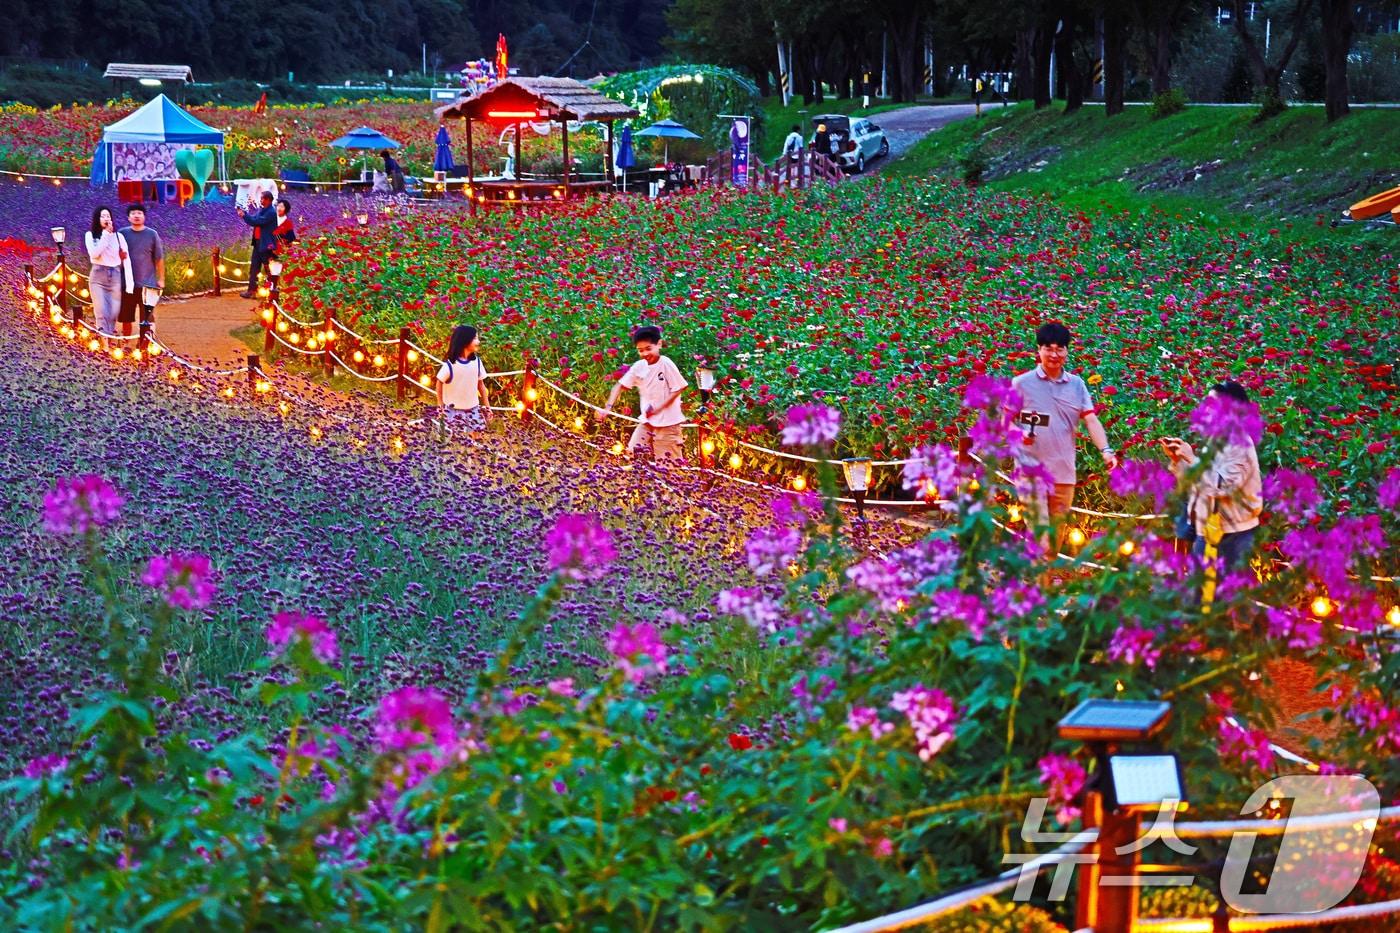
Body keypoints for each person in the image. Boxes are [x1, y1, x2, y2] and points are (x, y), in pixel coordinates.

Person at [1011, 321, 1117, 552]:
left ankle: (1042, 583)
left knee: (1055, 542)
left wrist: (1106, 451)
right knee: (1042, 538)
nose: (1054, 354)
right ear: (1038, 350)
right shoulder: (1021, 384)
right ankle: (1039, 585)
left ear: (1067, 351)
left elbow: (1090, 419)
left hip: (1063, 472)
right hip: (1031, 471)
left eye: (1060, 348)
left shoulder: (1077, 385)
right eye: (1048, 348)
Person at [1161, 381, 1262, 573]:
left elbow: (1221, 486)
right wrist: (1178, 460)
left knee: (1225, 596)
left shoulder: (1239, 444)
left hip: (1230, 534)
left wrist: (1190, 458)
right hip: (1209, 530)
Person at [596, 325, 688, 463]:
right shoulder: (639, 366)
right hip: (647, 422)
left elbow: (678, 388)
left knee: (669, 468)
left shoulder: (666, 363)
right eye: (641, 350)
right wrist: (607, 408)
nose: (645, 354)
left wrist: (658, 409)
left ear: (659, 344)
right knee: (632, 456)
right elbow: (619, 386)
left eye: (648, 349)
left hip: (668, 425)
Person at [83, 206, 131, 347]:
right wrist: (105, 235)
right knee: (101, 310)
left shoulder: (119, 237)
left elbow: (125, 257)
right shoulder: (90, 235)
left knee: (113, 312)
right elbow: (94, 253)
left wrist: (129, 282)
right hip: (98, 275)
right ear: (97, 219)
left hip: (115, 275)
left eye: (108, 216)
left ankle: (108, 338)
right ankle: (104, 345)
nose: (106, 219)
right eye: (103, 216)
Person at [117, 204, 164, 340]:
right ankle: (125, 341)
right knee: (126, 315)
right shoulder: (122, 234)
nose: (136, 216)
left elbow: (159, 258)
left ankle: (148, 341)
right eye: (133, 213)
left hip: (147, 284)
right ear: (128, 217)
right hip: (127, 283)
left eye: (139, 213)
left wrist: (161, 279)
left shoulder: (152, 234)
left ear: (144, 216)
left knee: (147, 315)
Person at [435, 325, 490, 435]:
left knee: (477, 438)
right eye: (475, 338)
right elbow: (439, 382)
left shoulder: (477, 363)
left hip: (473, 409)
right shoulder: (450, 365)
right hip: (452, 411)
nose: (478, 341)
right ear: (465, 341)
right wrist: (440, 405)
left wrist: (487, 406)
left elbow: (481, 386)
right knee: (452, 440)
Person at [236, 191, 277, 298]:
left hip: (266, 245)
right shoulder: (262, 210)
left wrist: (245, 215)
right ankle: (252, 291)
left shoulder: (271, 212)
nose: (261, 200)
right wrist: (245, 214)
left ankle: (273, 291)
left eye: (262, 198)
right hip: (258, 243)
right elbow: (254, 219)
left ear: (268, 199)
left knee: (269, 269)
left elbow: (257, 221)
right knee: (254, 267)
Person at [268, 198, 297, 295]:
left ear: (286, 209)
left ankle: (274, 290)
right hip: (269, 248)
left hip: (280, 250)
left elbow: (291, 237)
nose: (279, 208)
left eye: (282, 206)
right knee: (269, 269)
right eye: (278, 206)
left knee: (276, 270)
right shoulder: (271, 219)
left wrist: (282, 239)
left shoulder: (288, 222)